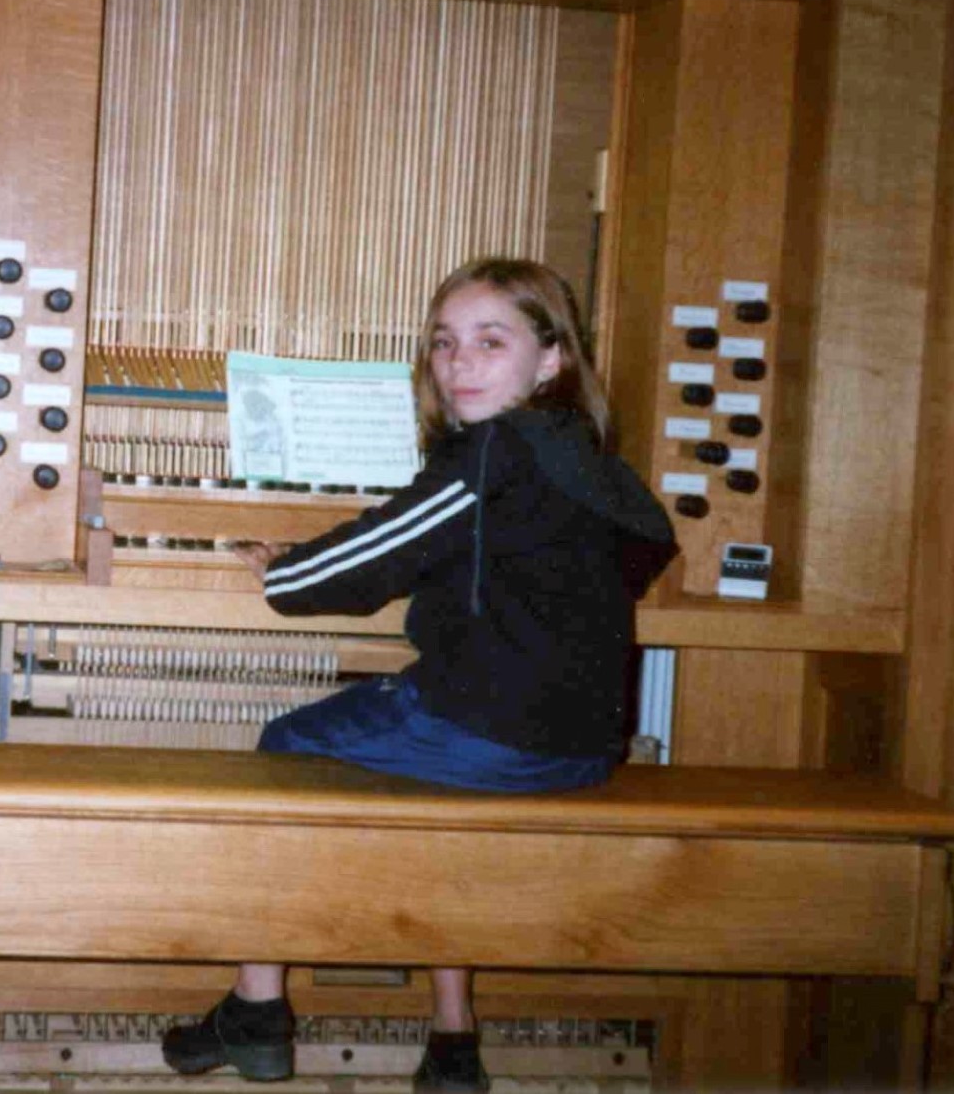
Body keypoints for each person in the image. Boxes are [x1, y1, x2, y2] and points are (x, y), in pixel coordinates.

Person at [162, 257, 678, 1092]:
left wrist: (285, 570)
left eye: (489, 340)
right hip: (584, 742)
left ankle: (256, 1005)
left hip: (495, 732)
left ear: (551, 360)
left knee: (284, 743)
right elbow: (637, 543)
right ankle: (452, 1035)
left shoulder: (493, 451)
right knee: (441, 797)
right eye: (443, 343)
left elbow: (361, 561)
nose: (458, 362)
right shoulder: (585, 459)